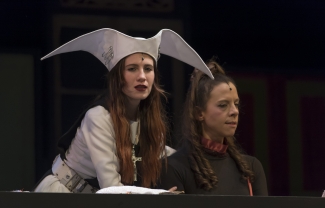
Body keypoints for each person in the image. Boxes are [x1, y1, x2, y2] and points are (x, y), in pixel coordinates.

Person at [33, 28, 213, 193]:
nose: (142, 76)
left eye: (148, 69)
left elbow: (163, 154)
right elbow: (111, 188)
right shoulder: (98, 117)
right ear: (118, 77)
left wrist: (200, 157)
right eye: (132, 69)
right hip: (63, 195)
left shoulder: (146, 121)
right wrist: (159, 194)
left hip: (92, 201)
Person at [158, 58, 268, 195]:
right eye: (223, 105)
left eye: (236, 104)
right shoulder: (174, 167)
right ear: (199, 113)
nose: (235, 111)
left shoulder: (250, 168)